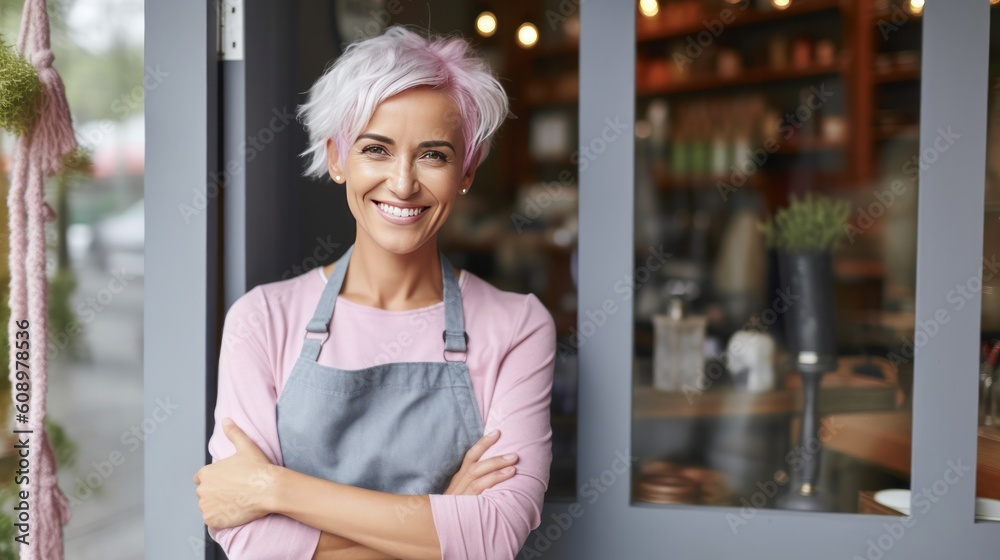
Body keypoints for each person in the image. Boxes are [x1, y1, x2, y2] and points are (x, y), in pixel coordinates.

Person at [192, 26, 556, 560]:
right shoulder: (261, 319)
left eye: (433, 154)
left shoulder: (517, 326)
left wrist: (273, 488)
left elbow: (495, 533)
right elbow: (252, 542)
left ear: (467, 171)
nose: (403, 183)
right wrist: (443, 522)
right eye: (376, 149)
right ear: (338, 158)